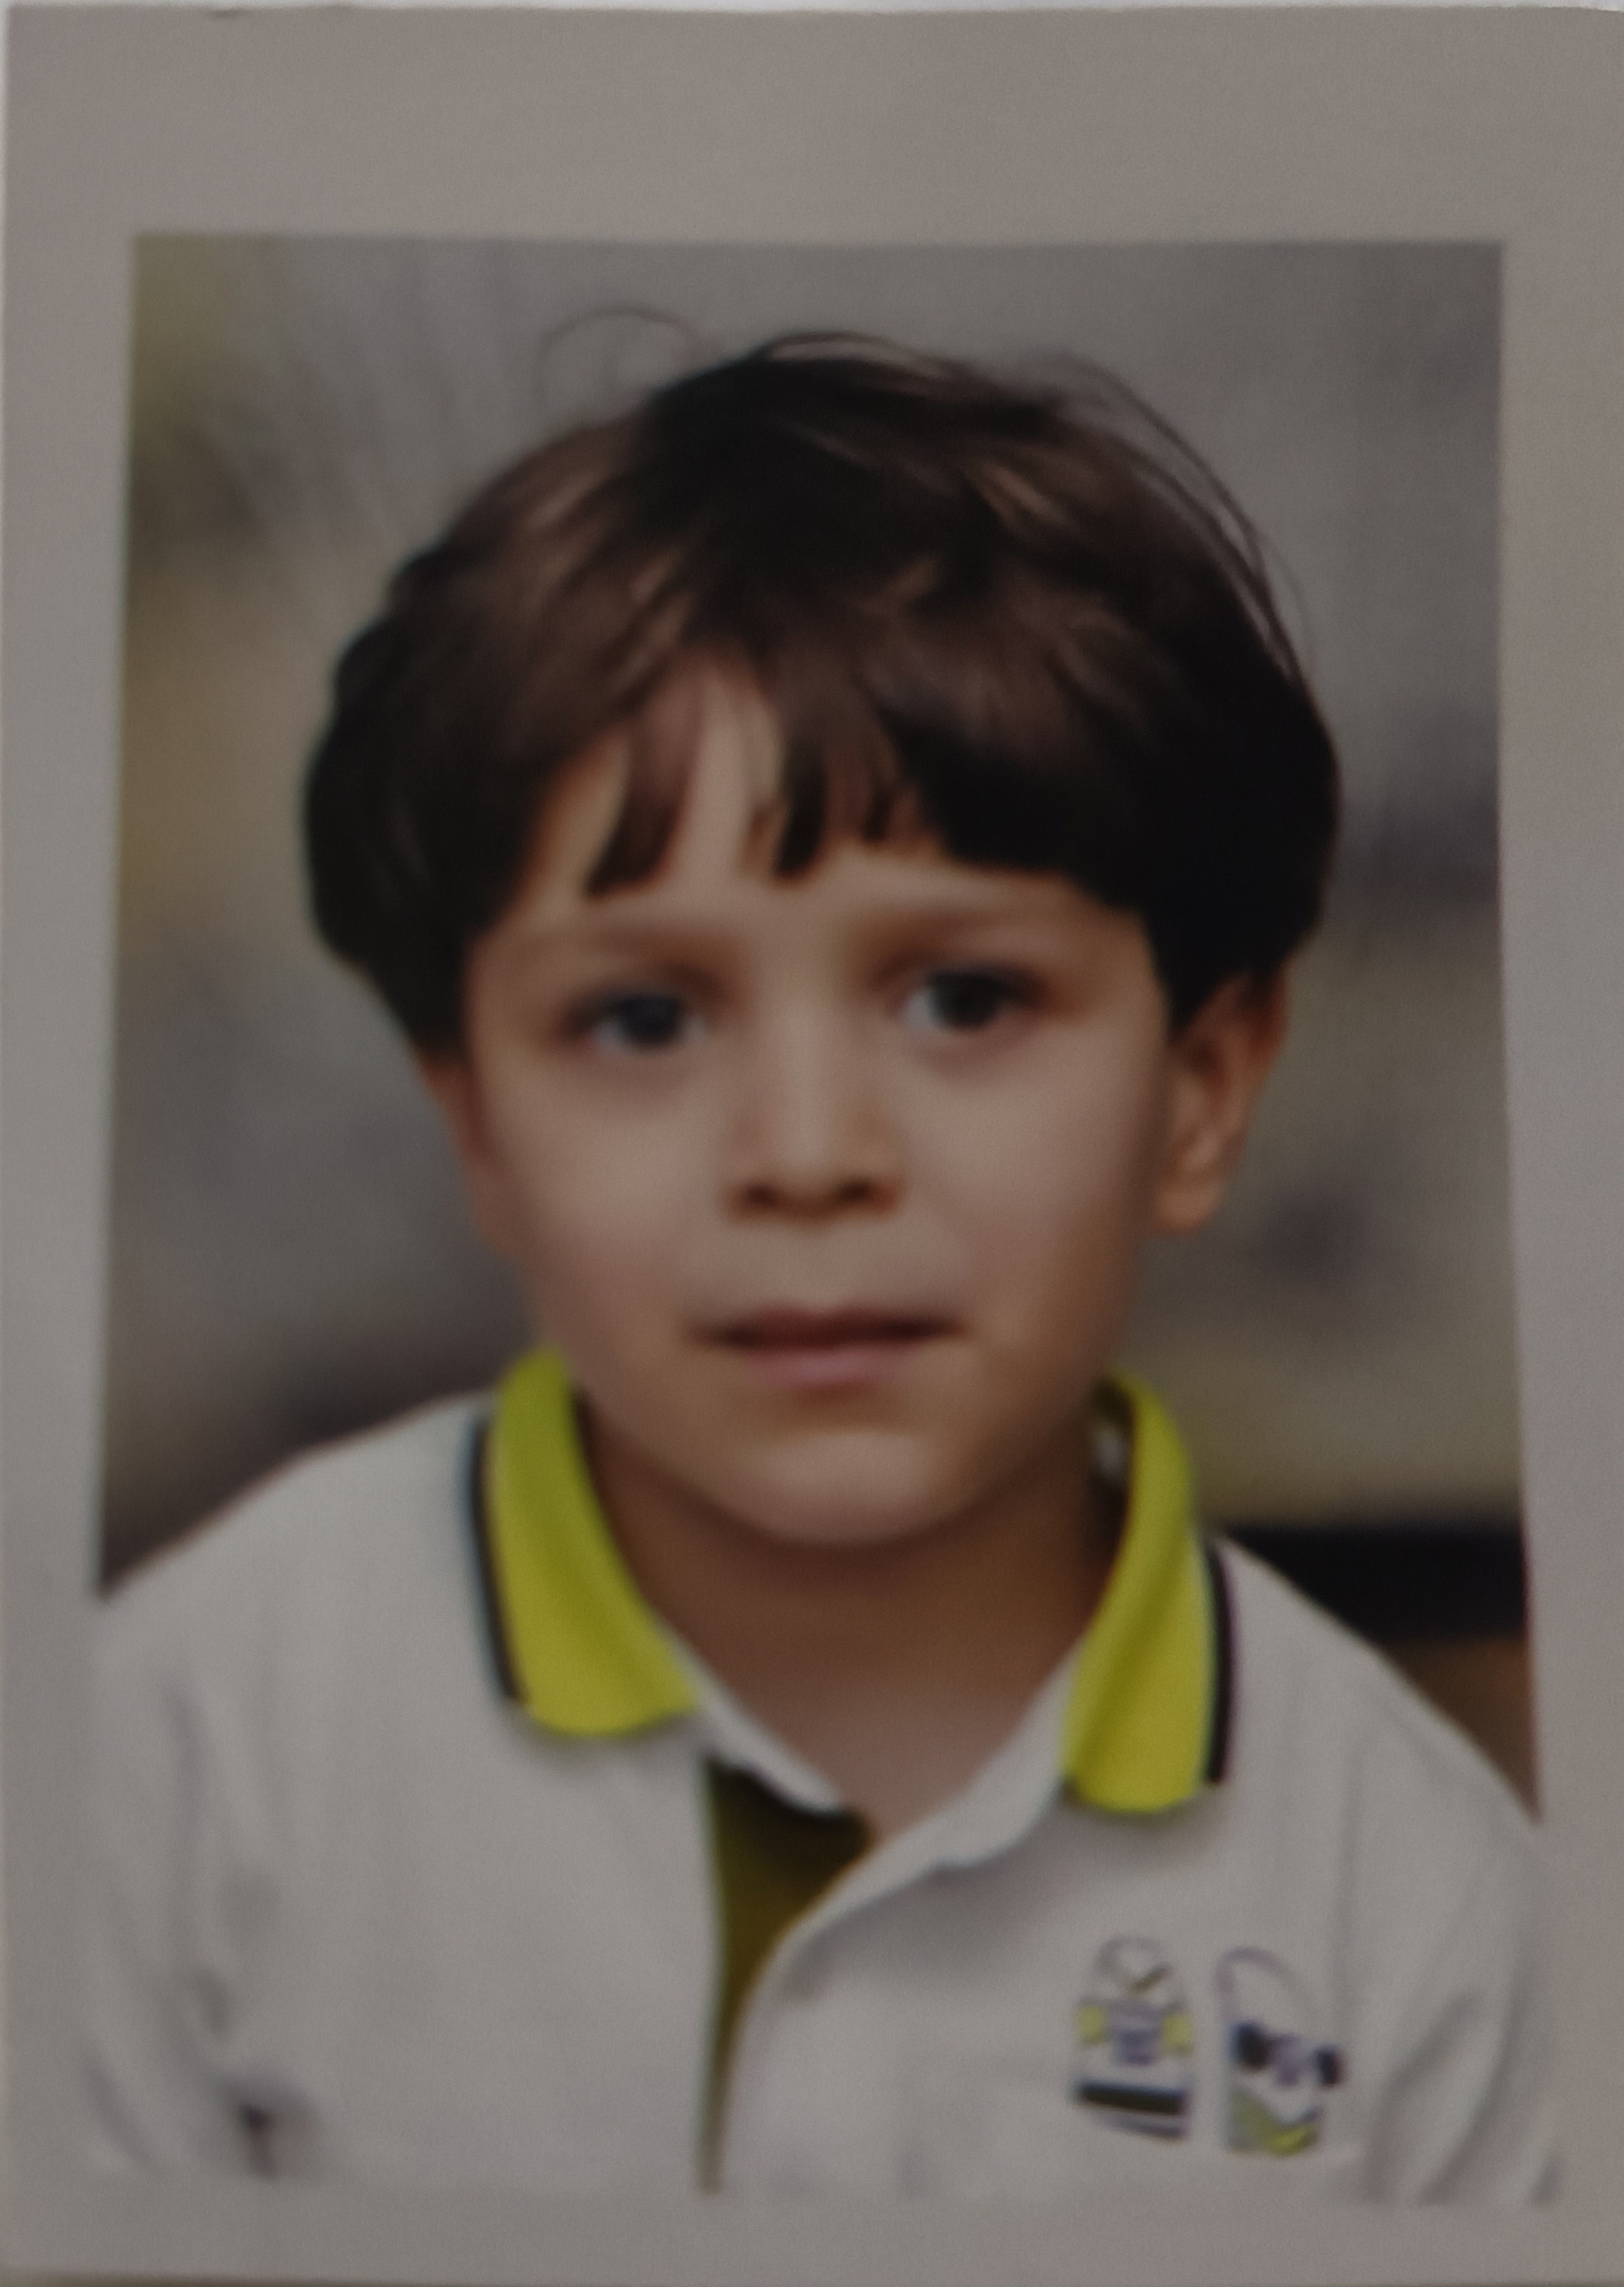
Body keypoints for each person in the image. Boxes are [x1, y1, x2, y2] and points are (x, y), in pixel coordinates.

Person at [88, 335, 1552, 2200]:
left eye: (964, 999)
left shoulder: (1422, 1910)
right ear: (476, 1121)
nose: (804, 1152)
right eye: (641, 1018)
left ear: (1200, 1088)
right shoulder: (195, 1743)